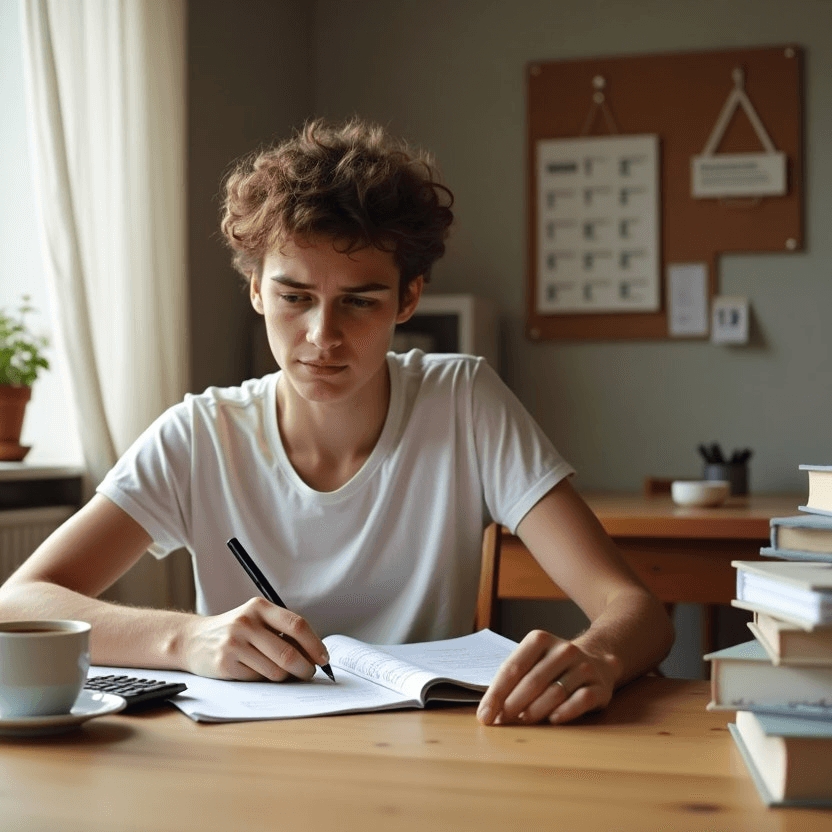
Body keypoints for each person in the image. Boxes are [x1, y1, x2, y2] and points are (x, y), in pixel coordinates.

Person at [0, 118, 672, 726]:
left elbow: (635, 612)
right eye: (294, 297)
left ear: (407, 297)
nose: (323, 336)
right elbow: (18, 600)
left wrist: (599, 659)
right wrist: (186, 639)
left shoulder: (464, 402)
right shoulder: (202, 434)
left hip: (429, 756)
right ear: (257, 289)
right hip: (243, 766)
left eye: (359, 301)